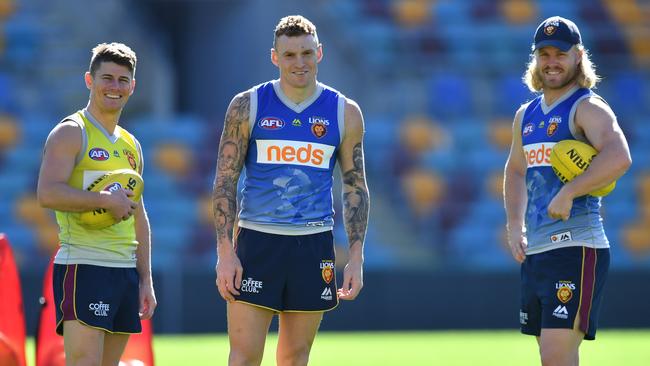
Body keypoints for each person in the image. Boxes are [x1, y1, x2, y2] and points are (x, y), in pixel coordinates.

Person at [212, 15, 369, 366]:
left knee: (295, 358)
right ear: (274, 57)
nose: (299, 62)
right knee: (244, 357)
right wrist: (225, 251)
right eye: (290, 55)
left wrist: (356, 257)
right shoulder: (247, 105)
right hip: (256, 241)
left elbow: (355, 186)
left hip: (313, 245)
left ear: (320, 53)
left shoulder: (345, 112)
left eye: (306, 53)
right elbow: (225, 180)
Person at [504, 16, 632, 366]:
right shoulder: (525, 115)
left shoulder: (586, 107)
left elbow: (620, 156)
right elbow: (515, 170)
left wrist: (570, 191)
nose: (551, 62)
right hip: (539, 253)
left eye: (559, 53)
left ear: (577, 55)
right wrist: (515, 225)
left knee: (556, 358)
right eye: (543, 54)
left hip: (576, 246)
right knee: (552, 358)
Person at [37, 42, 156, 366]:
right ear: (89, 80)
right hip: (84, 265)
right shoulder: (71, 132)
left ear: (132, 86)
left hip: (125, 272)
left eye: (122, 80)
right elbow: (47, 193)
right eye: (107, 78)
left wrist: (145, 278)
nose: (114, 87)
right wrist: (103, 200)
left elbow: (138, 215)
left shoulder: (132, 144)